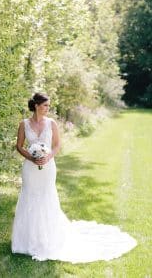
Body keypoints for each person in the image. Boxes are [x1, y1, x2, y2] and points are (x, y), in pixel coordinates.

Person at [11, 93, 137, 263]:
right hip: (29, 169)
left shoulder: (52, 123)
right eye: (46, 105)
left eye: (49, 105)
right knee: (29, 198)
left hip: (48, 168)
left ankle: (47, 239)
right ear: (36, 105)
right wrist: (31, 157)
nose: (48, 108)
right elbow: (19, 146)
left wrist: (48, 157)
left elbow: (56, 145)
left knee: (46, 198)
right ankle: (25, 241)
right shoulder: (24, 124)